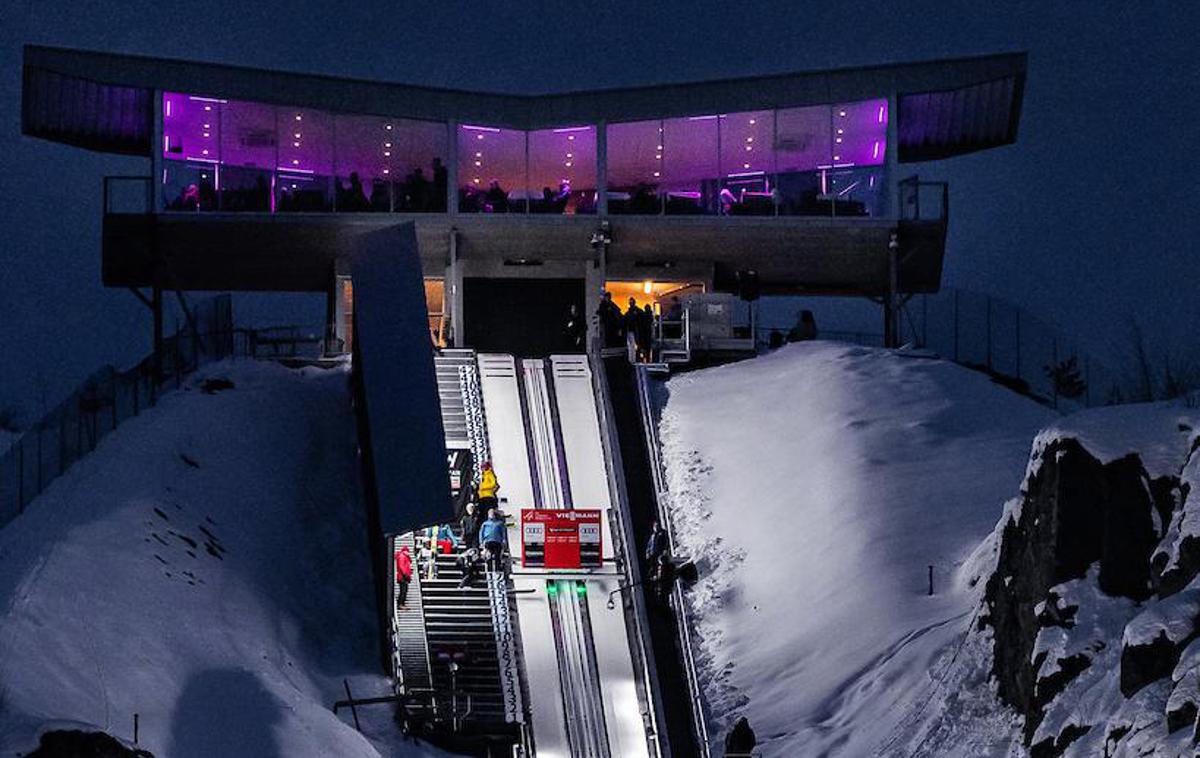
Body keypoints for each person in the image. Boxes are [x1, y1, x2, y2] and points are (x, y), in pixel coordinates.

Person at [394, 544, 413, 610]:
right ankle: (400, 604)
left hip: (403, 576)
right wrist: (406, 574)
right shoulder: (402, 556)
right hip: (403, 577)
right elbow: (402, 566)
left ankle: (401, 604)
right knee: (403, 590)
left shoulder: (404, 556)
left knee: (404, 590)